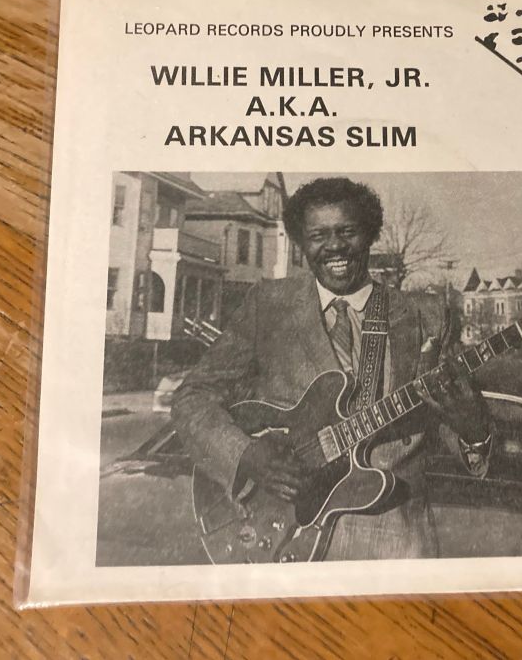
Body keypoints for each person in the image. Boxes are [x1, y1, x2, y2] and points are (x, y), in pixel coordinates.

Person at [172, 177, 492, 561]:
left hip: (392, 544)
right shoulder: (268, 306)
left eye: (348, 232)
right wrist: (247, 455)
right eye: (318, 235)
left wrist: (473, 426)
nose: (335, 246)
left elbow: (463, 438)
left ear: (370, 235)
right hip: (284, 537)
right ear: (301, 243)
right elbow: (192, 397)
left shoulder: (426, 316)